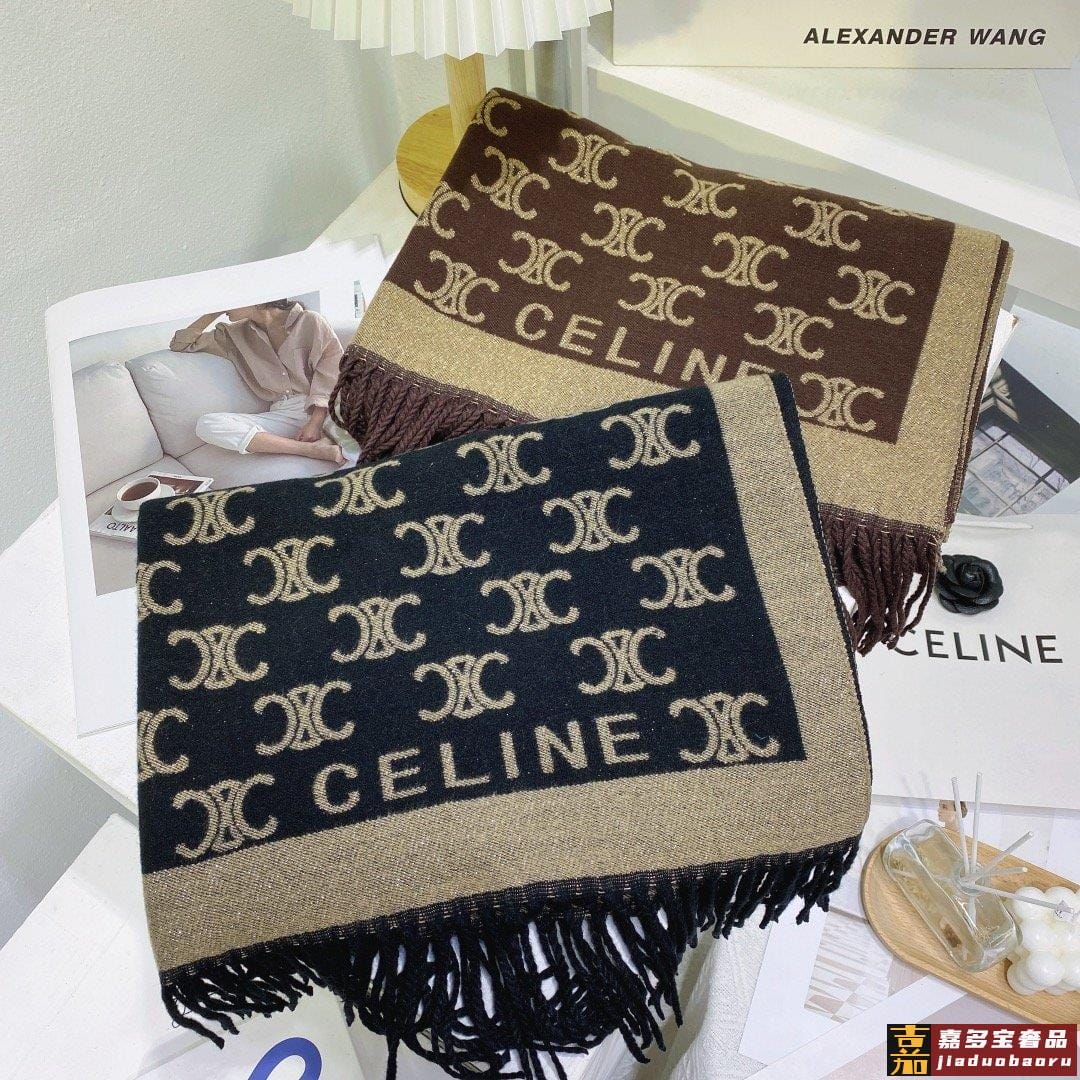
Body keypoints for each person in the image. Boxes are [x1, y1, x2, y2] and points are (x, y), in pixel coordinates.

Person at [170, 300, 347, 465]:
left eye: (226, 299)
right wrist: (213, 312)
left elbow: (331, 371)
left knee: (356, 436)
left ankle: (332, 442)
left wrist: (316, 421)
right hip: (284, 413)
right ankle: (311, 450)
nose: (224, 307)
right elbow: (180, 344)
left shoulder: (309, 321)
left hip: (325, 406)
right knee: (207, 424)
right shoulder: (234, 335)